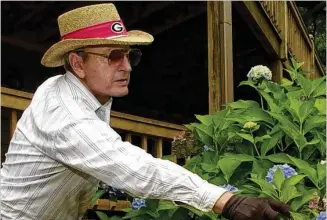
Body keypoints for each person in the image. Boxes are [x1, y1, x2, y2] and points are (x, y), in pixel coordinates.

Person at [0, 3, 290, 220]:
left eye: (129, 55)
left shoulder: (79, 92)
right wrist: (227, 201)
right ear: (77, 64)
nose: (126, 66)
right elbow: (132, 167)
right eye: (113, 56)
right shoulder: (63, 113)